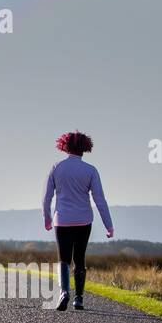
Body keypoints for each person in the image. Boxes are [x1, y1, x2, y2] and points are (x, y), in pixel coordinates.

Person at [42, 131, 113, 310]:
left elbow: (46, 197)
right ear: (85, 148)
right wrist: (108, 225)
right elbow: (100, 200)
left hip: (62, 220)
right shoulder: (90, 170)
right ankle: (79, 298)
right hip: (83, 221)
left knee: (63, 259)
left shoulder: (57, 168)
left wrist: (47, 218)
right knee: (79, 259)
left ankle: (64, 292)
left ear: (64, 146)